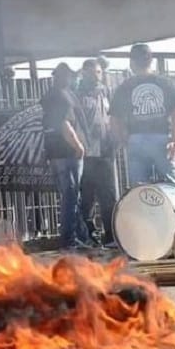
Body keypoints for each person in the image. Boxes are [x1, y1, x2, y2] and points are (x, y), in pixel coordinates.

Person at [111, 44, 175, 187]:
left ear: (131, 62)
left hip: (136, 139)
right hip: (163, 138)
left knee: (140, 190)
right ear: (151, 61)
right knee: (173, 186)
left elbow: (114, 119)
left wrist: (124, 140)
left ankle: (144, 208)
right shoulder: (165, 83)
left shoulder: (125, 86)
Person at [40, 63, 90, 250]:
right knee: (71, 196)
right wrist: (77, 144)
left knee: (70, 196)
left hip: (56, 152)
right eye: (71, 76)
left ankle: (81, 236)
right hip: (67, 152)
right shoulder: (62, 97)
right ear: (66, 77)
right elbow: (64, 124)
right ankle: (69, 240)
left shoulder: (52, 96)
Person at [76, 58, 117, 246]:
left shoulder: (106, 93)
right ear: (83, 73)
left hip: (105, 153)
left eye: (99, 72)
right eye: (92, 72)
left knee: (108, 196)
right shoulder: (77, 95)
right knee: (87, 199)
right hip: (86, 155)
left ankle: (110, 235)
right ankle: (88, 235)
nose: (96, 76)